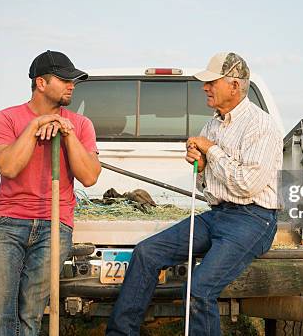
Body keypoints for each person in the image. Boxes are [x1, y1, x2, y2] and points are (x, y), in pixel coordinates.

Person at [106, 52, 282, 336]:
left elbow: (248, 184)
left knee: (198, 290)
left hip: (253, 219)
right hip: (218, 214)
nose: (205, 87)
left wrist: (210, 151)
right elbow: (208, 188)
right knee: (146, 253)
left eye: (212, 82)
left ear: (234, 86)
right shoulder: (211, 125)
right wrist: (199, 165)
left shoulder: (261, 126)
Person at [0, 50, 101, 335]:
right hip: (8, 223)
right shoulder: (6, 119)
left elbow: (89, 177)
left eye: (74, 81)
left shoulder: (81, 125)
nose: (72, 86)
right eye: (64, 80)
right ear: (41, 83)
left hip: (55, 226)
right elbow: (9, 167)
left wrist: (66, 132)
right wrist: (36, 125)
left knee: (31, 313)